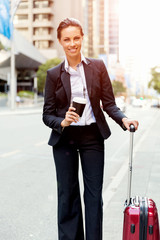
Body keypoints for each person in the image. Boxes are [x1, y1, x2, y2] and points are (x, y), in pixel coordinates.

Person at [42, 18, 139, 240]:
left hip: (92, 137)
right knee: (67, 195)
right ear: (60, 41)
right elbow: (47, 114)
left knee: (94, 196)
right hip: (65, 138)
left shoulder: (97, 67)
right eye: (67, 39)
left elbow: (109, 103)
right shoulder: (53, 74)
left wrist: (124, 119)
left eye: (76, 38)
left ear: (82, 38)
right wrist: (62, 121)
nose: (72, 43)